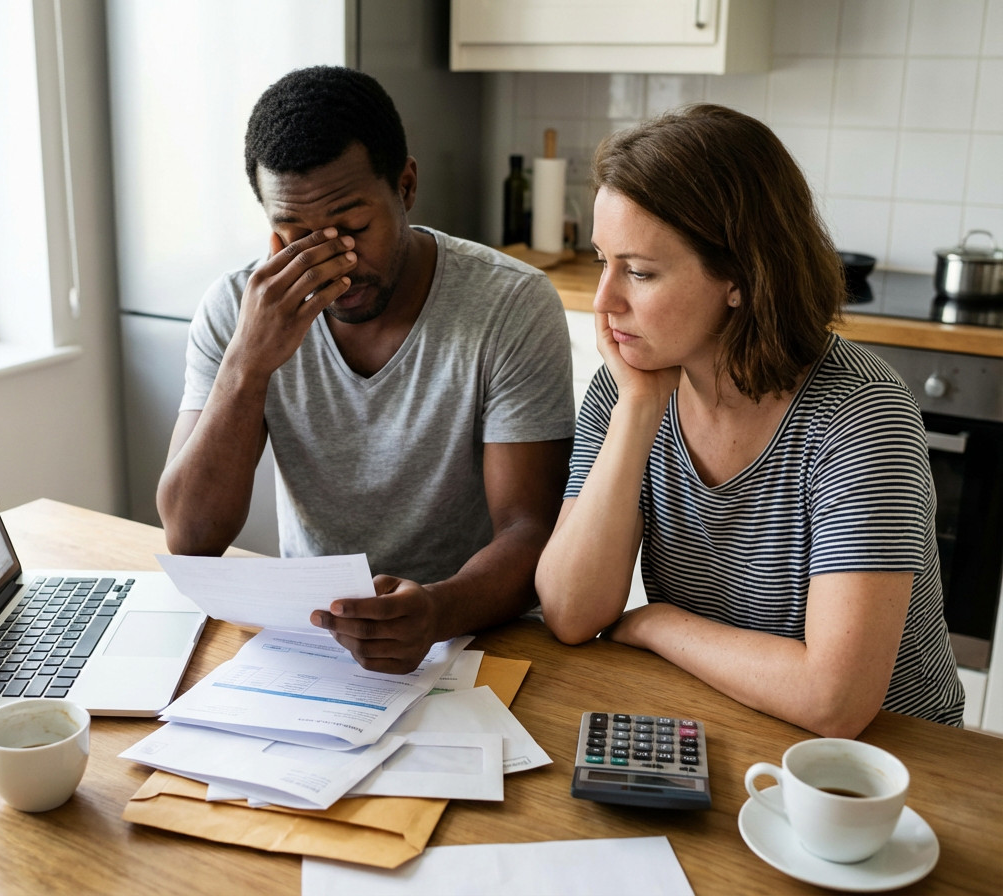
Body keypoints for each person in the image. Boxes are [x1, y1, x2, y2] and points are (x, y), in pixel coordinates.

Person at [535, 105, 964, 736]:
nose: (605, 302)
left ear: (738, 276)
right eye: (603, 260)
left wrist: (657, 622)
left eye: (641, 272)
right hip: (724, 713)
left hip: (892, 760)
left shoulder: (860, 415)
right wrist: (638, 412)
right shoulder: (627, 388)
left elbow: (833, 701)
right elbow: (570, 612)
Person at [159, 66, 575, 674]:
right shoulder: (237, 309)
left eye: (352, 228)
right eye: (294, 235)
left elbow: (530, 529)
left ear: (405, 186)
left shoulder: (509, 305)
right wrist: (248, 362)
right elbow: (190, 538)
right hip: (310, 641)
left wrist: (434, 611)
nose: (335, 263)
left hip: (473, 635)